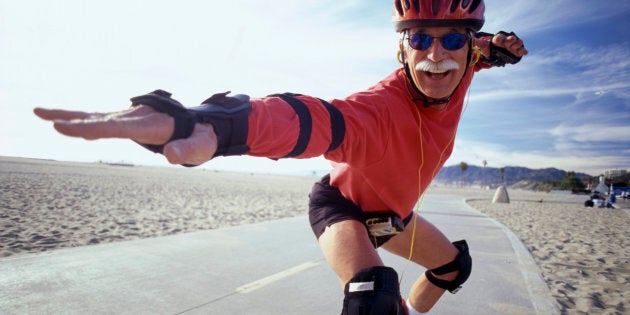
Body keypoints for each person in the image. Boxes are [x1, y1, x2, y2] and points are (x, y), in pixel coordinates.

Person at [34, 1, 527, 314]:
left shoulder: (465, 65)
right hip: (344, 208)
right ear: (401, 49)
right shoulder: (379, 110)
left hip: (396, 217)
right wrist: (214, 123)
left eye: (452, 42)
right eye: (418, 39)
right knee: (374, 297)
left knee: (455, 268)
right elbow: (310, 119)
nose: (434, 57)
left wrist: (497, 48)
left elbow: (477, 50)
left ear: (469, 50)